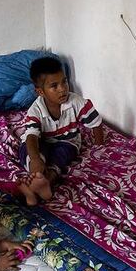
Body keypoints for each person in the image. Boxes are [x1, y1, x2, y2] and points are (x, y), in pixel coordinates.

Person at [18, 57, 104, 205]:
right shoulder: (35, 110)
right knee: (31, 152)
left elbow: (96, 123)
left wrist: (99, 147)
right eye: (54, 86)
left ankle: (45, 184)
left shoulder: (77, 102)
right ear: (40, 91)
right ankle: (36, 179)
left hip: (67, 141)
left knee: (62, 156)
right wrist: (36, 159)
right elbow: (31, 137)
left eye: (64, 81)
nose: (63, 88)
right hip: (41, 141)